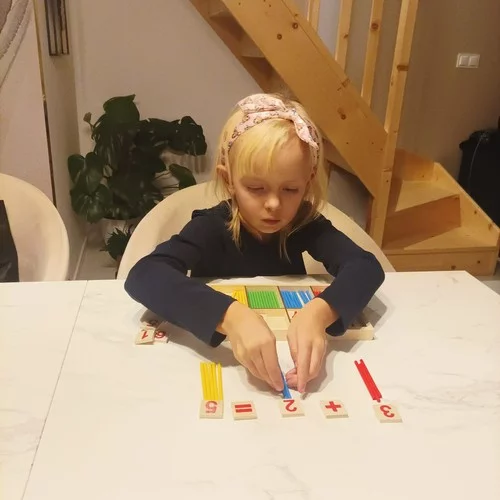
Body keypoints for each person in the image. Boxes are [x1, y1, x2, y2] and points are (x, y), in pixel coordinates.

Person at [124, 93, 385, 393]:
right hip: (215, 363)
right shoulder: (211, 226)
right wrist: (230, 316)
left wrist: (320, 312)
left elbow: (365, 267)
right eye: (256, 188)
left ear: (308, 181)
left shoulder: (304, 223)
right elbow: (145, 275)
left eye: (290, 189)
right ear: (229, 180)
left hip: (286, 357)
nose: (274, 204)